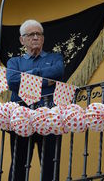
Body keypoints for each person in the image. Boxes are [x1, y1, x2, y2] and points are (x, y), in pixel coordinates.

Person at [6, 19, 65, 181]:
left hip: (49, 116)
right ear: (22, 39)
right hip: (22, 117)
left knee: (50, 164)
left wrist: (30, 75)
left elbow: (58, 71)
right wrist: (45, 80)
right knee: (19, 163)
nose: (35, 37)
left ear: (43, 38)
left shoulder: (55, 58)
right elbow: (12, 81)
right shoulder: (15, 62)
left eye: (38, 34)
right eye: (31, 34)